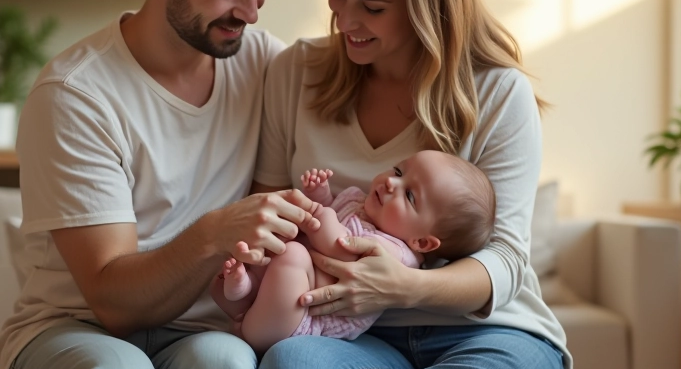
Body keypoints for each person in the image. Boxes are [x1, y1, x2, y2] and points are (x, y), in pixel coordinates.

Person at [0, 0, 318, 369]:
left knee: (228, 368)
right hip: (75, 331)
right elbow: (114, 304)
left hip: (199, 333)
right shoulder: (77, 94)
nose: (253, 10)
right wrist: (218, 231)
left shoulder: (265, 63)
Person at [253, 0, 571, 369]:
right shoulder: (296, 71)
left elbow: (507, 260)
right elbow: (265, 206)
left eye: (372, 7)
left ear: (427, 4)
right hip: (352, 338)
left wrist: (404, 286)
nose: (346, 21)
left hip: (486, 336)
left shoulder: (495, 91)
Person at [212, 150, 496, 353]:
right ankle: (242, 290)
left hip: (305, 319)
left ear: (421, 242)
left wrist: (318, 214)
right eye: (398, 171)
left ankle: (253, 329)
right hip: (279, 295)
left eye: (409, 195)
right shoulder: (356, 201)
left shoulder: (396, 254)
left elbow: (338, 245)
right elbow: (334, 213)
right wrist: (320, 195)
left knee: (293, 255)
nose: (390, 182)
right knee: (248, 264)